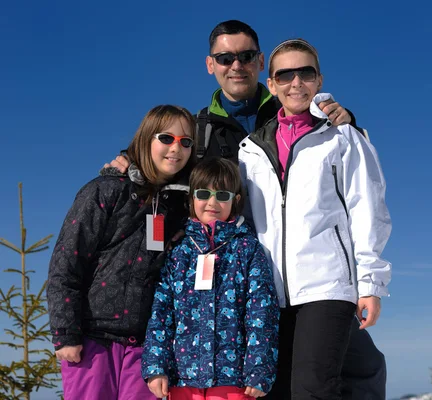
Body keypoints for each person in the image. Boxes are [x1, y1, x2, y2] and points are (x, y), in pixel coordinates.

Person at [108, 20, 388, 400]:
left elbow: (358, 191)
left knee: (356, 369)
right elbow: (165, 147)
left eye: (245, 56)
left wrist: (344, 119)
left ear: (260, 64)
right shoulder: (199, 127)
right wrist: (130, 158)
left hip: (313, 274)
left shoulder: (297, 113)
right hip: (240, 281)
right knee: (271, 384)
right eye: (225, 57)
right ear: (211, 64)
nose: (235, 65)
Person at [238, 38, 392, 400]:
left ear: (319, 80)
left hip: (326, 286)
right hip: (268, 293)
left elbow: (368, 209)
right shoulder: (251, 151)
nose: (296, 83)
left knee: (313, 389)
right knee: (273, 391)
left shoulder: (342, 137)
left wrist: (369, 283)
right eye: (285, 75)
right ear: (271, 85)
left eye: (305, 73)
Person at [47, 105, 197, 400]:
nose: (176, 148)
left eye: (186, 142)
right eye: (166, 138)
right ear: (145, 140)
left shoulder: (181, 210)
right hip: (92, 340)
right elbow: (66, 262)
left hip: (146, 347)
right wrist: (65, 333)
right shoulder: (106, 191)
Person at [142, 158, 279, 400]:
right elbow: (161, 314)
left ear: (235, 200)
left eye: (222, 195)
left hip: (233, 379)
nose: (212, 202)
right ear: (192, 198)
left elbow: (261, 313)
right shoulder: (179, 252)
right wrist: (156, 366)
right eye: (204, 194)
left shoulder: (247, 249)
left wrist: (259, 370)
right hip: (183, 377)